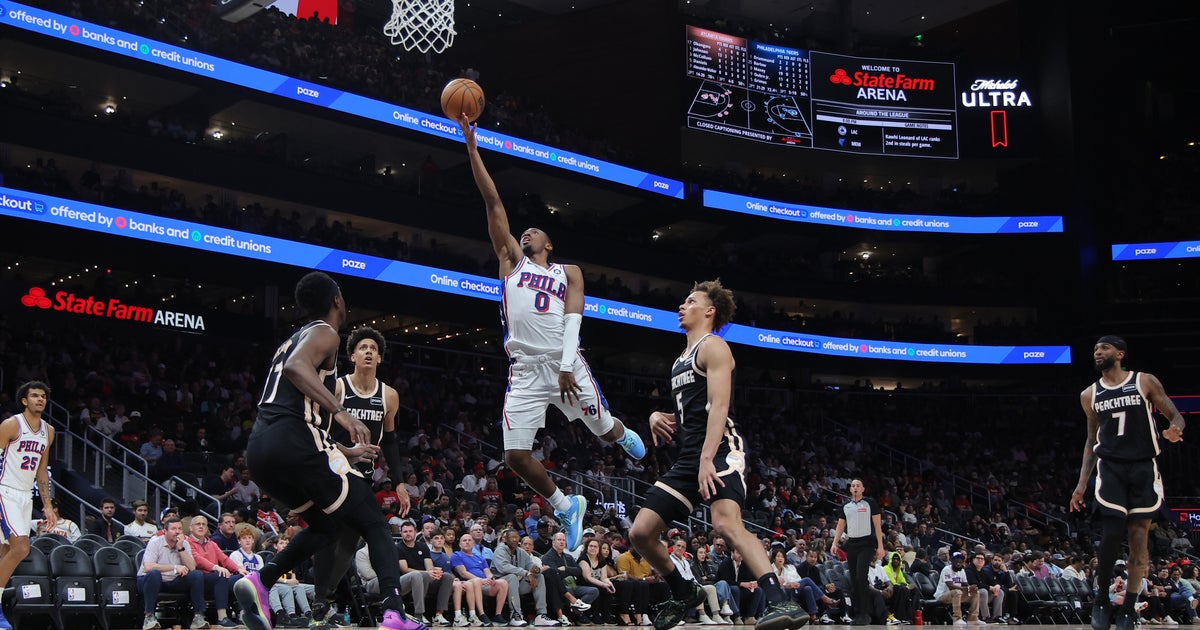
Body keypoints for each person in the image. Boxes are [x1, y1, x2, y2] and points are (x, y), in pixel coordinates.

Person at [461, 116, 646, 551]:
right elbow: (492, 202)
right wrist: (472, 148)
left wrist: (565, 365)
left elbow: (573, 319)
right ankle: (566, 504)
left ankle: (620, 432)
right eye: (523, 231)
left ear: (549, 244)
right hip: (525, 369)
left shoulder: (569, 272)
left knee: (602, 431)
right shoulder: (511, 261)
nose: (525, 232)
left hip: (565, 362)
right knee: (514, 456)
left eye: (535, 231)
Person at [232, 272, 422, 630]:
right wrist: (342, 413)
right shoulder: (326, 332)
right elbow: (296, 368)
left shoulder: (292, 339)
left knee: (326, 526)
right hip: (294, 441)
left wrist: (345, 452)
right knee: (375, 522)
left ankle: (261, 580)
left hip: (260, 449)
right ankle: (394, 613)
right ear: (337, 299)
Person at [626, 281, 807, 630]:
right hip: (691, 455)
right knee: (640, 533)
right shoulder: (680, 360)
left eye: (690, 301)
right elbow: (693, 413)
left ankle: (780, 600)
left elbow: (719, 406)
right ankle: (684, 590)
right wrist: (657, 415)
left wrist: (708, 459)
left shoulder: (714, 346)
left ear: (709, 311)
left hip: (721, 449)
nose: (682, 306)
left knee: (725, 523)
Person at [1070, 335, 1185, 630]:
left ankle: (1129, 608)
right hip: (1110, 467)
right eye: (1095, 349)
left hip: (1143, 466)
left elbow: (1175, 415)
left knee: (1138, 537)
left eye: (1104, 348)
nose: (1098, 352)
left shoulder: (1144, 381)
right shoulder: (1089, 394)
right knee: (1111, 534)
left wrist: (1174, 428)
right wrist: (1081, 484)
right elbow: (1091, 440)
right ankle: (1102, 599)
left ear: (1120, 353)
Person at [310, 326, 412, 626]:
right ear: (352, 356)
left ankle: (323, 601)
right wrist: (348, 451)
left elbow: (390, 442)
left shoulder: (389, 395)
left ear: (379, 358)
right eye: (362, 348)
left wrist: (399, 482)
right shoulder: (337, 388)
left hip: (363, 476)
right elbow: (318, 429)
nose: (368, 351)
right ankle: (324, 600)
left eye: (373, 349)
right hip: (332, 472)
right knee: (333, 536)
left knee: (347, 545)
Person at [0, 381, 57, 630]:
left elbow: (42, 471)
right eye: (34, 395)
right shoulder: (11, 424)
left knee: (5, 552)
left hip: (25, 496)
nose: (40, 399)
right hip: (5, 490)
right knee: (21, 548)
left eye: (43, 396)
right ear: (24, 400)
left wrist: (47, 505)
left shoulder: (49, 431)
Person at [831, 479, 885, 625]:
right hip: (852, 544)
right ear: (850, 489)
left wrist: (880, 546)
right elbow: (841, 526)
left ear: (863, 489)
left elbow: (877, 526)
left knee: (861, 576)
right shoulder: (845, 506)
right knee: (854, 579)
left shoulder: (870, 503)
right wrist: (835, 543)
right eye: (853, 486)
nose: (855, 488)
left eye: (858, 486)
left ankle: (866, 612)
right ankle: (858, 612)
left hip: (867, 543)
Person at [138, 517, 207, 630]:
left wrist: (180, 548)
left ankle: (198, 618)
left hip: (173, 581)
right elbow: (148, 567)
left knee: (196, 575)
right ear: (165, 531)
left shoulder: (184, 543)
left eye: (180, 528)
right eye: (173, 529)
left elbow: (192, 567)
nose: (177, 532)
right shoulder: (155, 542)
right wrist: (174, 567)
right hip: (150, 581)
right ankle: (149, 617)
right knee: (154, 574)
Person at [186, 514, 247, 627]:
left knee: (241, 578)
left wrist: (239, 569)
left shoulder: (212, 543)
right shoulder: (187, 543)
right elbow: (197, 559)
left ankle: (243, 616)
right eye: (198, 524)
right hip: (199, 578)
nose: (201, 526)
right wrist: (216, 567)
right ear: (191, 528)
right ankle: (222, 617)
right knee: (220, 575)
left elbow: (224, 559)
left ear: (207, 528)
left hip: (216, 577)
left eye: (204, 524)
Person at [493, 527, 558, 626]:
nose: (514, 539)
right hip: (500, 584)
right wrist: (526, 573)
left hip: (517, 584)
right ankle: (515, 615)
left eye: (516, 537)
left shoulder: (521, 551)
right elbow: (504, 568)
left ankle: (541, 615)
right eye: (511, 537)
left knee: (539, 577)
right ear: (505, 539)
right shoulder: (499, 550)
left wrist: (535, 569)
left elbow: (530, 565)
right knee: (512, 577)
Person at [396, 521, 455, 625]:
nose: (408, 533)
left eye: (410, 531)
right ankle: (419, 614)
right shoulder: (398, 548)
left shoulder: (422, 546)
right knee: (421, 575)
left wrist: (435, 572)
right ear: (401, 533)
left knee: (447, 577)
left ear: (415, 532)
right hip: (408, 581)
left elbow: (429, 567)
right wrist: (427, 573)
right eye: (405, 532)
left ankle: (439, 614)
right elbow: (404, 569)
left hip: (426, 579)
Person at [451, 532, 509, 625]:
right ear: (460, 544)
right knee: (477, 581)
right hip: (468, 583)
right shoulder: (457, 555)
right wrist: (481, 580)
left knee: (502, 582)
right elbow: (463, 573)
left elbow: (487, 572)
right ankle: (481, 614)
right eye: (464, 540)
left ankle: (498, 615)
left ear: (473, 543)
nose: (467, 542)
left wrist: (491, 579)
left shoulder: (479, 557)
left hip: (484, 583)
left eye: (469, 540)